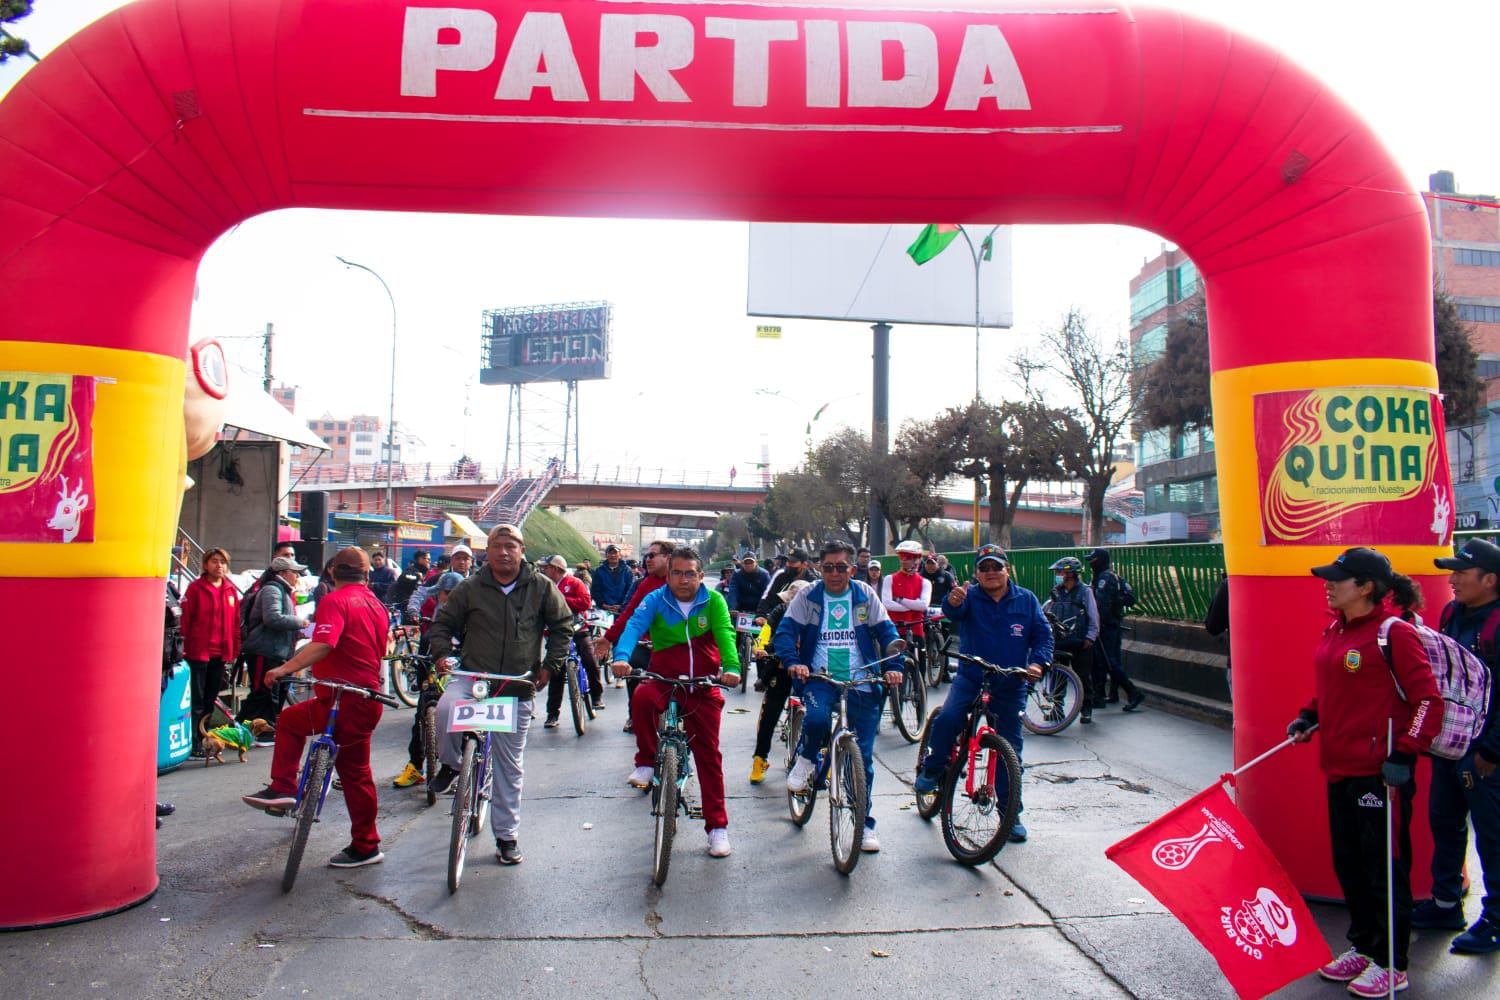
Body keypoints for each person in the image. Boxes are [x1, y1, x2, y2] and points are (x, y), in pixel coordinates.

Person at [1289, 546, 1443, 997]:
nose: (1328, 583)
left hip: (1380, 775)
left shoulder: (1394, 634)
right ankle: (1364, 946)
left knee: (1384, 870)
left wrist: (1406, 754)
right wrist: (1308, 716)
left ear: (1366, 587)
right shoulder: (1336, 629)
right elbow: (1336, 692)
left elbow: (1427, 702)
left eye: (1338, 578)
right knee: (1350, 864)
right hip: (1339, 768)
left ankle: (1393, 962)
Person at [427, 524, 573, 866]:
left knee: (509, 767)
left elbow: (563, 626)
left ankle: (506, 837)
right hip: (473, 677)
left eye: (511, 546)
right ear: (487, 551)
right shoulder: (470, 587)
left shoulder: (541, 587)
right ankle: (452, 764)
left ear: (522, 551)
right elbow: (442, 625)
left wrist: (549, 666)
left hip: (516, 686)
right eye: (497, 546)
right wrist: (441, 656)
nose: (504, 552)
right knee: (444, 710)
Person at [242, 547, 392, 869]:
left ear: (332, 573)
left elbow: (324, 643)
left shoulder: (334, 601)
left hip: (345, 701)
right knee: (298, 725)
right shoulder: (378, 606)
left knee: (348, 769)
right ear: (367, 574)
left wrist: (283, 669)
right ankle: (287, 789)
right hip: (360, 699)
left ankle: (364, 842)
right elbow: (380, 651)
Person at [610, 546, 740, 859]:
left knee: (708, 757)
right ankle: (645, 761)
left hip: (702, 685)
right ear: (668, 575)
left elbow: (725, 634)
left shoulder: (714, 601)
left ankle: (717, 829)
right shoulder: (655, 599)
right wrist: (622, 657)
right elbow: (633, 628)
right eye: (677, 573)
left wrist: (732, 668)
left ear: (700, 575)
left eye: (690, 574)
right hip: (663, 679)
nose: (684, 580)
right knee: (640, 697)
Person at [915, 544, 1050, 844]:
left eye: (996, 567)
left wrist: (1038, 664)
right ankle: (933, 768)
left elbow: (1043, 636)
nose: (991, 573)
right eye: (984, 568)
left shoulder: (1026, 600)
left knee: (1011, 751)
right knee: (949, 717)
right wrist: (952, 600)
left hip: (1010, 683)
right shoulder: (970, 596)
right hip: (972, 676)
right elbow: (954, 611)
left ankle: (1010, 812)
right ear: (976, 573)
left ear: (1007, 570)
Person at [776, 540, 904, 852]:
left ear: (852, 568)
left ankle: (865, 820)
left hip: (861, 679)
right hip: (820, 677)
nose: (835, 573)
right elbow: (785, 632)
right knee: (817, 719)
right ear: (820, 567)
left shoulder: (864, 594)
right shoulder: (808, 595)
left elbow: (888, 633)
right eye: (829, 567)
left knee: (863, 759)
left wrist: (894, 665)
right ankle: (806, 758)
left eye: (842, 567)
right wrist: (794, 664)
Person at [1412, 538, 1500, 953]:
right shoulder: (1452, 613)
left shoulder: (1497, 622)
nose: (1453, 580)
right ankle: (1446, 903)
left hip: (1486, 754)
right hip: (1450, 746)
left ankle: (1496, 920)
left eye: (1461, 574)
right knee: (1445, 822)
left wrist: (1491, 751)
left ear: (1490, 580)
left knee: (1493, 836)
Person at [391, 570, 466, 788]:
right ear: (439, 593)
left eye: (454, 594)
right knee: (422, 712)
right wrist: (413, 610)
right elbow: (418, 594)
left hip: (460, 673)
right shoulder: (432, 627)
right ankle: (415, 766)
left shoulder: (470, 614)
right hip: (434, 656)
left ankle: (463, 767)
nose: (449, 598)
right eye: (446, 594)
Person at [595, 540, 673, 731]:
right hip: (645, 641)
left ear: (668, 558)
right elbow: (629, 614)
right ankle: (634, 714)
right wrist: (608, 638)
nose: (647, 559)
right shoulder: (645, 584)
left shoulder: (682, 582)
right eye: (646, 555)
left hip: (674, 644)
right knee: (634, 669)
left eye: (652, 555)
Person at [748, 578, 811, 784]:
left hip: (810, 671)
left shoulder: (817, 613)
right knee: (770, 713)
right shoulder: (779, 612)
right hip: (782, 666)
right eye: (791, 600)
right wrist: (761, 648)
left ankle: (820, 755)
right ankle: (760, 759)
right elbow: (765, 632)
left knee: (820, 714)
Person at [238, 555, 311, 732]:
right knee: (263, 692)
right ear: (282, 572)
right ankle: (250, 728)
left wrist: (296, 632)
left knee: (270, 691)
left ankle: (255, 728)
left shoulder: (282, 590)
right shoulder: (272, 590)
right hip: (264, 649)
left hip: (276, 650)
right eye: (294, 572)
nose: (297, 577)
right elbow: (273, 618)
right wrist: (299, 622)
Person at [180, 547, 240, 757]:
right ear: (206, 565)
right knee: (196, 699)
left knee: (210, 698)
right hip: (198, 652)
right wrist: (184, 647)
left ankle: (205, 736)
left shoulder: (230, 590)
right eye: (214, 561)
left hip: (220, 653)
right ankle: (194, 740)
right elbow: (185, 621)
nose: (219, 566)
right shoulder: (195, 589)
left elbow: (234, 624)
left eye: (222, 562)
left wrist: (234, 648)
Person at [538, 553, 606, 725]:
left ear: (555, 569)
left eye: (546, 567)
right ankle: (552, 714)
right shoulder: (544, 585)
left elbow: (585, 602)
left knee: (590, 661)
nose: (543, 570)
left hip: (578, 629)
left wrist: (560, 600)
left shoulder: (575, 583)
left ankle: (597, 696)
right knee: (556, 673)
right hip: (555, 634)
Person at [1086, 547, 1144, 712]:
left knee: (1108, 661)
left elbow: (1102, 606)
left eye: (1093, 560)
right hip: (1111, 625)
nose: (1090, 563)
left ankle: (1133, 692)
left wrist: (1096, 624)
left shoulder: (1105, 579)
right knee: (1104, 661)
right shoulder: (1112, 577)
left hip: (1106, 626)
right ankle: (1106, 695)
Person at [1048, 556, 1102, 723]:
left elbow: (1093, 616)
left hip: (1080, 642)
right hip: (1061, 640)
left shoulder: (1085, 591)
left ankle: (1086, 709)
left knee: (1083, 677)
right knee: (1057, 677)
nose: (1058, 575)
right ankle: (1057, 708)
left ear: (1071, 574)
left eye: (1060, 572)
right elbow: (1048, 609)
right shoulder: (1056, 591)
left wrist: (1090, 637)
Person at [881, 540, 931, 649]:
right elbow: (887, 604)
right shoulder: (889, 579)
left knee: (921, 663)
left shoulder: (925, 582)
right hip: (895, 628)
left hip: (916, 629)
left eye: (907, 557)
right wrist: (913, 605)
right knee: (891, 664)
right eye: (901, 556)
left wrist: (899, 600)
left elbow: (923, 606)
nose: (903, 560)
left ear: (917, 559)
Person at [755, 549, 814, 620]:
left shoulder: (812, 583)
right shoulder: (781, 576)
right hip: (777, 619)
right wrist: (760, 615)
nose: (788, 564)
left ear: (804, 564)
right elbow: (768, 598)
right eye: (787, 561)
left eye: (793, 562)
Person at [591, 543, 634, 614]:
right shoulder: (599, 571)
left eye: (615, 553)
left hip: (622, 609)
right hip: (603, 610)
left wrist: (621, 605)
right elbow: (595, 590)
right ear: (606, 555)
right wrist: (603, 604)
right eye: (610, 553)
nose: (613, 555)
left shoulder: (627, 570)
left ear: (619, 555)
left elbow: (630, 590)